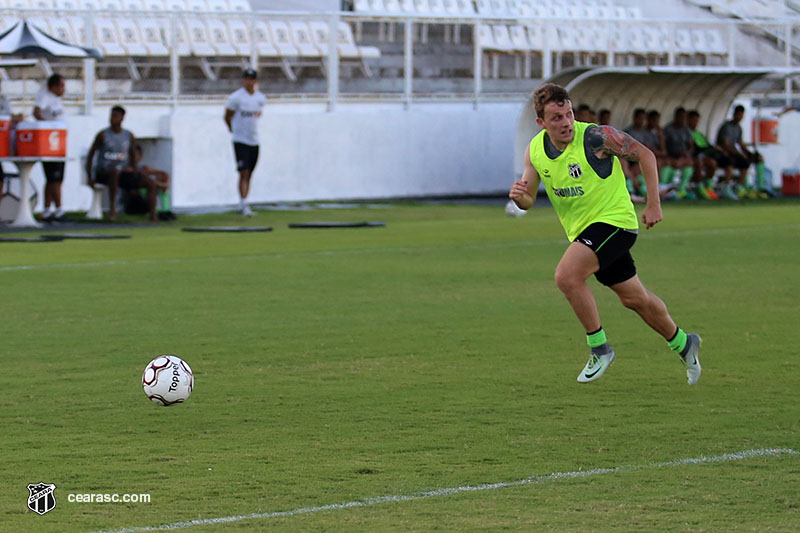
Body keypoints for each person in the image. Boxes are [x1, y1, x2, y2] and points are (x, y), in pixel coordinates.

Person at [509, 83, 701, 385]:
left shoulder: (595, 137)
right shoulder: (534, 151)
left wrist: (653, 204)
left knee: (566, 276)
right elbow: (529, 199)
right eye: (557, 117)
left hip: (615, 223)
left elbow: (645, 155)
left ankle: (599, 348)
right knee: (634, 299)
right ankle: (684, 343)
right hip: (586, 232)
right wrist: (520, 196)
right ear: (541, 122)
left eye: (569, 114)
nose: (566, 122)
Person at [85, 106, 160, 222]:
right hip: (105, 172)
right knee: (114, 173)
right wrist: (90, 177)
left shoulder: (128, 135)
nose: (112, 119)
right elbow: (91, 155)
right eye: (111, 116)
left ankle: (153, 215)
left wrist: (135, 170)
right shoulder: (103, 135)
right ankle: (112, 210)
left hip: (123, 173)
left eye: (115, 116)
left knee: (150, 182)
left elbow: (132, 155)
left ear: (122, 118)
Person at [224, 68, 266, 217]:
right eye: (246, 79)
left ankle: (244, 201)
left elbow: (258, 114)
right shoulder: (236, 98)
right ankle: (243, 202)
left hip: (254, 140)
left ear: (255, 81)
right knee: (244, 171)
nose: (249, 82)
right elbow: (227, 116)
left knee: (250, 173)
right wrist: (233, 130)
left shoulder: (260, 98)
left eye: (251, 79)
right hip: (240, 140)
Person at [716, 105, 768, 199]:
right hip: (723, 154)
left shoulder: (738, 128)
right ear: (734, 114)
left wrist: (749, 154)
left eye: (741, 115)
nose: (740, 117)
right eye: (738, 115)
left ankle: (756, 187)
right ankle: (727, 188)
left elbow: (741, 144)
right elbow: (726, 145)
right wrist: (739, 154)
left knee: (755, 159)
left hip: (734, 154)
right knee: (731, 162)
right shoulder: (726, 127)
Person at [33, 73, 66, 221]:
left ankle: (47, 209)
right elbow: (36, 112)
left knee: (53, 178)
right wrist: (48, 126)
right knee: (54, 178)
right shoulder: (44, 96)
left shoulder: (56, 99)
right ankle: (59, 209)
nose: (64, 89)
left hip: (58, 142)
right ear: (54, 86)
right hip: (51, 143)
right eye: (62, 86)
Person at [661, 107, 696, 199]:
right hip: (670, 157)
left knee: (689, 167)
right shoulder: (668, 129)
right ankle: (665, 190)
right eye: (681, 117)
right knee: (667, 168)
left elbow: (691, 146)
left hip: (682, 157)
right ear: (676, 117)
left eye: (684, 117)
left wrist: (686, 154)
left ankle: (682, 190)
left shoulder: (686, 130)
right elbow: (663, 146)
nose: (682, 119)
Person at [0, 80, 24, 213]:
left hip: (3, 146)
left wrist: (16, 118)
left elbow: (9, 117)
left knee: (0, 180)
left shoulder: (3, 99)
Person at [687, 110, 721, 200]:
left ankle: (708, 186)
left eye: (697, 121)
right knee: (698, 162)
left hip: (701, 156)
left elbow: (705, 145)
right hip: (692, 157)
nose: (696, 123)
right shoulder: (686, 132)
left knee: (712, 163)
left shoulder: (699, 133)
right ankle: (699, 187)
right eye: (694, 120)